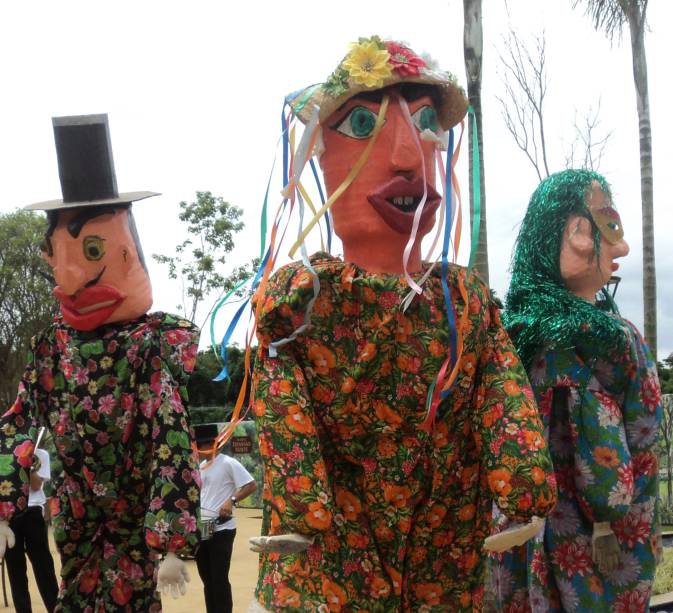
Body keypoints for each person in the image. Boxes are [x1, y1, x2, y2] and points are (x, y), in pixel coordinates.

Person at [246, 37, 557, 612]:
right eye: (361, 123)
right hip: (336, 558)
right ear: (319, 158)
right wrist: (300, 503)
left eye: (426, 125)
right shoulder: (304, 301)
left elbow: (501, 389)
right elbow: (280, 397)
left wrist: (522, 480)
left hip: (442, 557)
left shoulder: (463, 300)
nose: (409, 157)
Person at [0, 114, 201, 611]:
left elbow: (171, 438)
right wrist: (3, 505)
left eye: (93, 250)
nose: (69, 280)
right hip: (76, 521)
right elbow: (18, 421)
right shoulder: (54, 344)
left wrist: (171, 541)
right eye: (56, 255)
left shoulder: (148, 346)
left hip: (134, 526)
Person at [489, 169, 662, 612]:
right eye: (607, 225)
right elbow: (636, 433)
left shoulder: (511, 338)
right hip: (599, 535)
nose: (618, 247)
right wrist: (611, 513)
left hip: (522, 529)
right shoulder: (614, 341)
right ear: (575, 234)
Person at [195, 426, 257, 613]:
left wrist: (231, 501)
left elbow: (251, 485)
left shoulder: (228, 462)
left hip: (222, 529)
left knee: (219, 578)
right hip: (204, 527)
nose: (197, 449)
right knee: (206, 578)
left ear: (210, 444)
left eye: (200, 445)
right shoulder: (200, 467)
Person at [3, 432, 59, 613]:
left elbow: (35, 485)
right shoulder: (5, 451)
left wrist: (30, 461)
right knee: (15, 567)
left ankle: (54, 608)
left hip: (33, 510)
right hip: (10, 514)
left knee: (42, 563)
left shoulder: (41, 454)